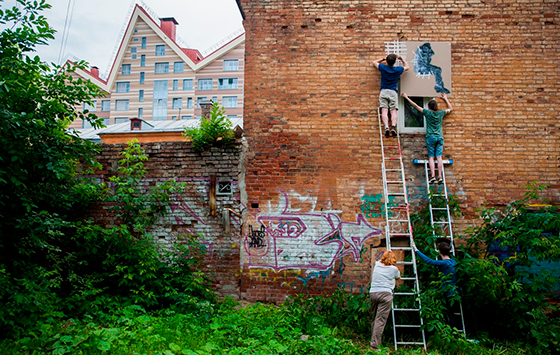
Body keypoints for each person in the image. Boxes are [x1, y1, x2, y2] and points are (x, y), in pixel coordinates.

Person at [401, 92, 452, 184]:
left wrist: (406, 97)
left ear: (429, 107)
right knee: (439, 157)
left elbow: (416, 106)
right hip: (439, 137)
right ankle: (439, 176)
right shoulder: (441, 113)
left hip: (430, 137)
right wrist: (445, 98)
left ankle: (432, 176)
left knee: (431, 157)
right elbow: (451, 109)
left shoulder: (427, 113)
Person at [412, 240, 460, 327]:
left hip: (447, 291)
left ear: (439, 251)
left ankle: (452, 333)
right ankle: (455, 332)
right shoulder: (453, 262)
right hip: (456, 291)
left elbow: (430, 261)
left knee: (448, 314)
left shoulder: (444, 263)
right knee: (452, 313)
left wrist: (416, 250)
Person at [369, 250, 401, 351]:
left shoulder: (377, 264)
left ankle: (373, 340)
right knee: (380, 320)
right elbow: (398, 277)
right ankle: (374, 346)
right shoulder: (394, 269)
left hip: (373, 292)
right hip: (385, 294)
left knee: (374, 318)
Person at [373, 54, 409, 138]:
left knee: (384, 110)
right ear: (394, 62)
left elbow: (374, 62)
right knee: (393, 111)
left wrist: (383, 59)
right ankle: (393, 127)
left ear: (387, 61)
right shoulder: (397, 70)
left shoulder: (383, 68)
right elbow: (407, 67)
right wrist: (402, 59)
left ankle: (386, 127)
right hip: (393, 92)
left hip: (384, 91)